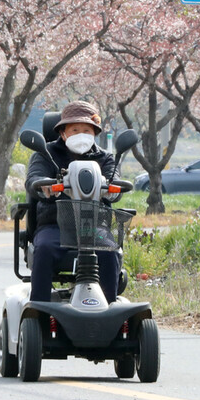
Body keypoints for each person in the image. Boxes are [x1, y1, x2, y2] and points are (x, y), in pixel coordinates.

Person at [25, 100, 121, 304]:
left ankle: (109, 308)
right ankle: (39, 310)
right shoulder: (45, 153)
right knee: (44, 249)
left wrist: (112, 190)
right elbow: (33, 178)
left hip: (93, 225)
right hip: (55, 224)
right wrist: (42, 186)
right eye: (75, 129)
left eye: (86, 130)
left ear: (95, 133)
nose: (81, 134)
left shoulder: (105, 158)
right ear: (62, 133)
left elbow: (116, 182)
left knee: (109, 251)